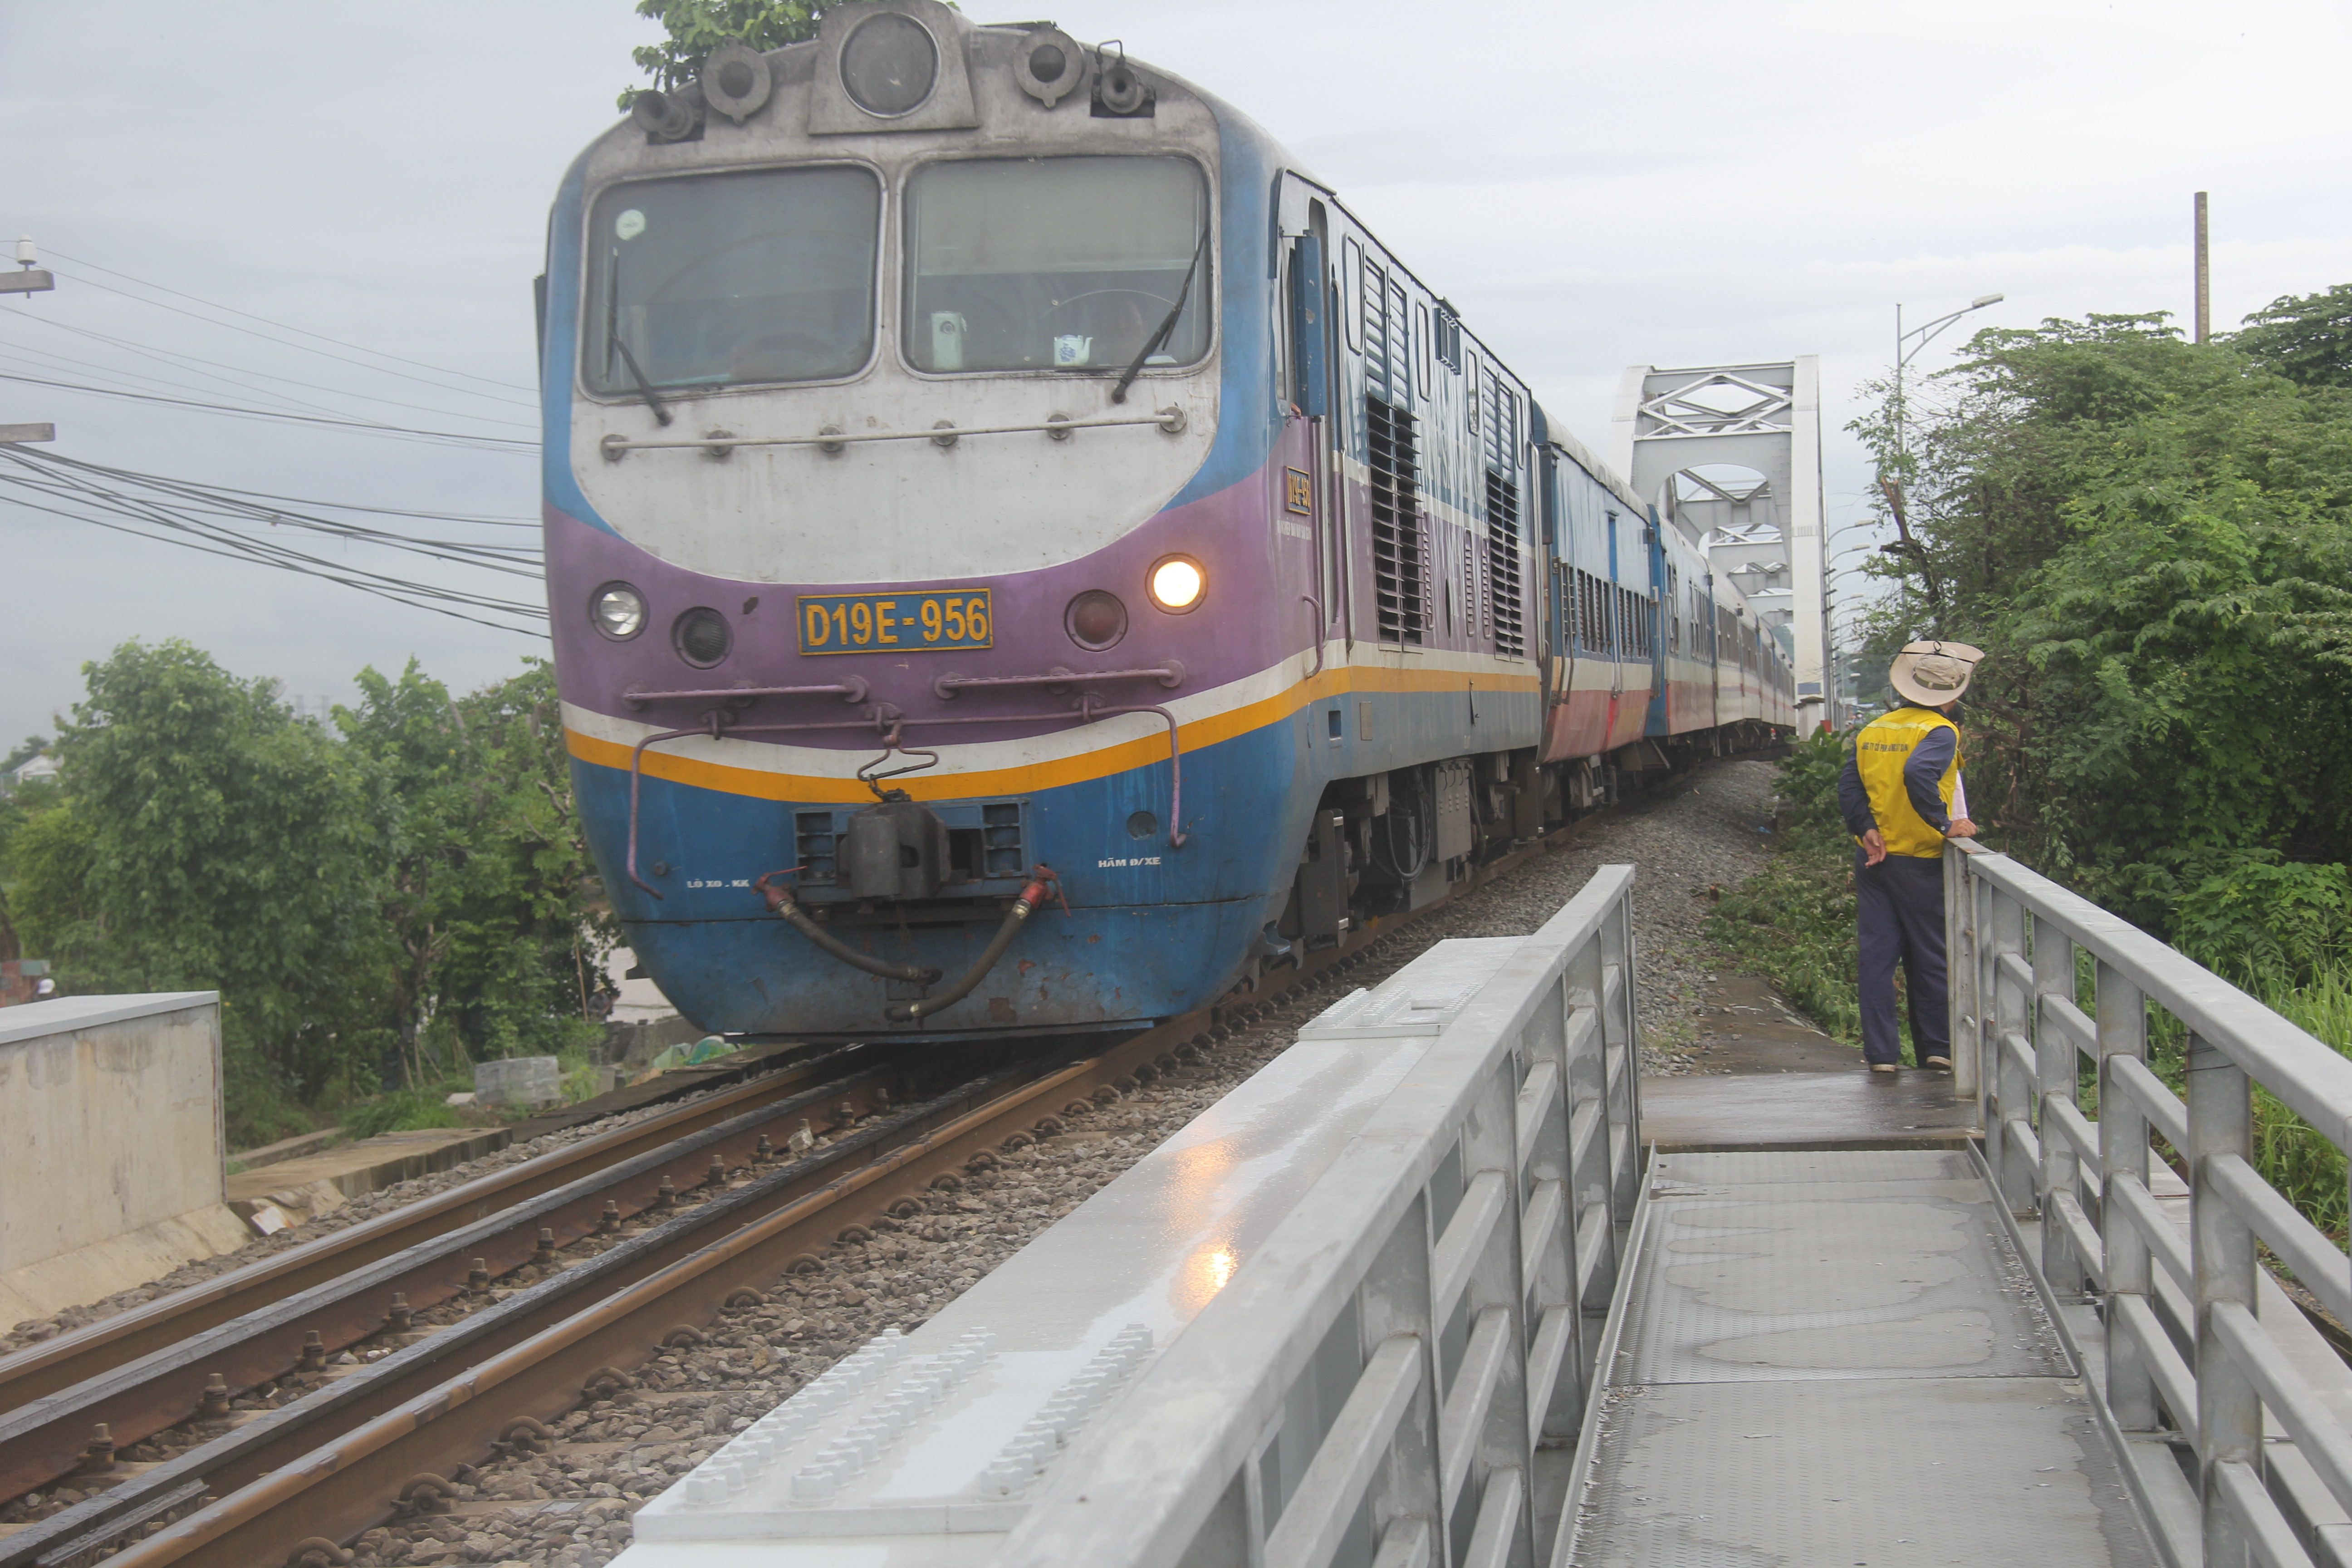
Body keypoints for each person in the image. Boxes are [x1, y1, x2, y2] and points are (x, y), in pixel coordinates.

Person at [1836, 640, 1985, 1074]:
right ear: (1951, 696)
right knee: (1931, 956)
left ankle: (1882, 1056)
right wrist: (1945, 824)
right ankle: (1938, 1051)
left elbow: (1849, 788)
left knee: (1878, 959)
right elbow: (1919, 773)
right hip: (1921, 860)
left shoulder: (1874, 729)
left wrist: (1866, 830)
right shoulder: (1940, 732)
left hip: (1876, 863)